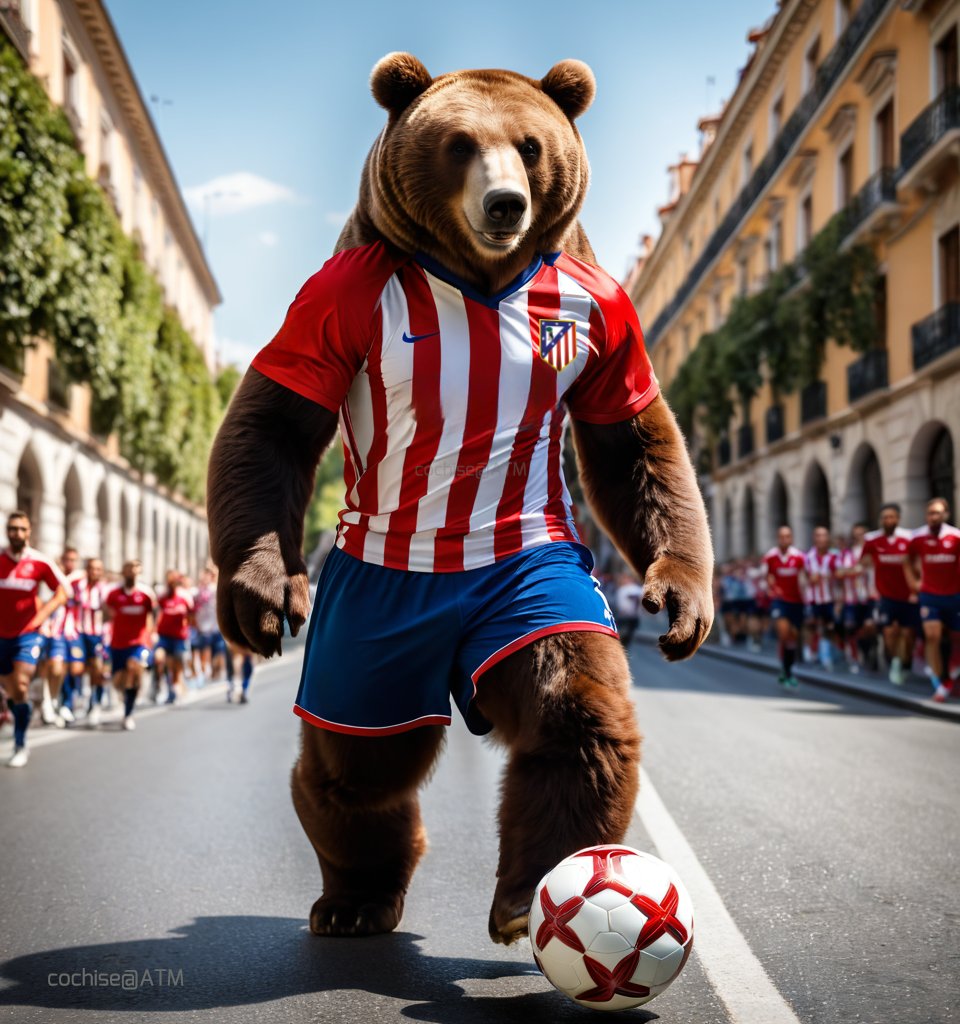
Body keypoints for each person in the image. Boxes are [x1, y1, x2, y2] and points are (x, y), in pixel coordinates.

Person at [0, 511, 70, 767]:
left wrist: (41, 617)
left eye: (21, 529)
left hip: (27, 636)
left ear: (29, 532)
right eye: (12, 528)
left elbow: (63, 593)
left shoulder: (40, 562)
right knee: (11, 690)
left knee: (20, 685)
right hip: (1, 636)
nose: (16, 533)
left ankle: (20, 744)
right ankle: (17, 709)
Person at [905, 497, 960, 702]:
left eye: (937, 513)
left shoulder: (956, 536)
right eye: (930, 513)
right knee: (933, 636)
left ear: (945, 515)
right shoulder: (917, 537)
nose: (933, 517)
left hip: (954, 596)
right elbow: (906, 561)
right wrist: (914, 583)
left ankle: (949, 675)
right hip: (929, 595)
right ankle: (939, 682)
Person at [860, 506, 915, 685]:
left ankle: (906, 662)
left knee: (907, 634)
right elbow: (863, 564)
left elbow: (917, 565)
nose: (888, 520)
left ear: (898, 519)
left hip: (908, 596)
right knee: (889, 632)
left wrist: (916, 588)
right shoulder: (872, 540)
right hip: (885, 596)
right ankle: (895, 661)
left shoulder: (909, 538)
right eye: (884, 517)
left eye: (891, 517)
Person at [104, 559, 156, 730]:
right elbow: (107, 613)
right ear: (123, 572)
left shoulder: (146, 594)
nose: (132, 572)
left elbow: (154, 614)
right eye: (128, 568)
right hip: (118, 643)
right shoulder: (113, 593)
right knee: (119, 682)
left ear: (139, 571)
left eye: (135, 568)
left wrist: (152, 633)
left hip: (139, 642)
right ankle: (126, 696)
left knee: (135, 668)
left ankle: (128, 714)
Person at [41, 546, 85, 725]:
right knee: (55, 668)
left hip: (74, 632)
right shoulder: (53, 580)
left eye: (73, 560)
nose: (70, 564)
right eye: (67, 560)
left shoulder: (80, 580)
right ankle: (52, 702)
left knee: (74, 669)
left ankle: (65, 702)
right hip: (55, 631)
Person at [763, 525, 808, 688]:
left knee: (792, 639)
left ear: (792, 538)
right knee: (784, 633)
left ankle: (787, 670)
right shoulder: (771, 557)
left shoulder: (799, 557)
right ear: (778, 538)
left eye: (787, 536)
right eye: (781, 536)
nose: (784, 539)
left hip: (797, 602)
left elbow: (805, 577)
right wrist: (771, 589)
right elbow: (767, 577)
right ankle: (787, 669)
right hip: (779, 601)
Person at [74, 557, 110, 727]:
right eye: (91, 568)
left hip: (98, 635)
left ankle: (95, 702)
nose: (94, 572)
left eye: (98, 569)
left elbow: (111, 613)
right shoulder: (78, 586)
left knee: (98, 669)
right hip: (79, 633)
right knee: (78, 668)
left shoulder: (105, 590)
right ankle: (77, 700)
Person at [154, 569, 194, 704]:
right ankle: (162, 687)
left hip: (180, 637)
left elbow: (191, 615)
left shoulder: (185, 596)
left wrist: (188, 629)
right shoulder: (162, 596)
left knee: (177, 665)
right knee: (161, 660)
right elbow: (156, 614)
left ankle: (175, 688)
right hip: (164, 636)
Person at [804, 526, 839, 670]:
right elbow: (802, 577)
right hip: (812, 598)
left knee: (829, 627)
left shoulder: (835, 557)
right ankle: (810, 651)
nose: (821, 539)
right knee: (812, 625)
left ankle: (826, 654)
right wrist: (808, 579)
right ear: (814, 538)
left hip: (830, 598)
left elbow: (841, 576)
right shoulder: (807, 557)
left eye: (824, 535)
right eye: (818, 536)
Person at [193, 568, 226, 681]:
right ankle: (208, 671)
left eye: (206, 575)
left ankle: (218, 670)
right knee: (205, 650)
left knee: (218, 651)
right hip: (203, 627)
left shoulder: (215, 589)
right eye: (202, 576)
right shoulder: (197, 592)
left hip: (216, 626)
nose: (204, 578)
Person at [614, 572, 644, 647]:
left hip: (625, 616)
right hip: (634, 616)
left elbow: (620, 605)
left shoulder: (624, 589)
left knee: (622, 636)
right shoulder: (639, 590)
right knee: (627, 637)